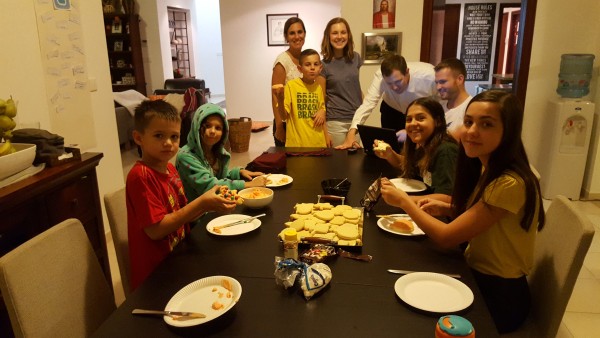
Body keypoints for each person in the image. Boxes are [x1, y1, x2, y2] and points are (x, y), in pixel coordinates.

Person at [380, 91, 545, 334]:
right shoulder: (487, 167)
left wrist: (405, 202)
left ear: (509, 130)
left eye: (486, 124)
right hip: (476, 273)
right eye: (468, 122)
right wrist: (450, 208)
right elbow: (486, 217)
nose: (471, 131)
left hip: (497, 295)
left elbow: (447, 238)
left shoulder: (509, 182)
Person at [126, 100, 237, 290]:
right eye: (159, 135)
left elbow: (181, 212)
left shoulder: (170, 168)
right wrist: (203, 202)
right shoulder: (141, 177)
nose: (168, 143)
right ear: (138, 138)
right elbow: (156, 230)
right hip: (157, 274)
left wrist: (210, 205)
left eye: (174, 136)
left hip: (180, 255)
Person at [337, 54, 438, 149]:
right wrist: (351, 133)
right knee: (390, 148)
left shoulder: (430, 76)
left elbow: (442, 108)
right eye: (389, 83)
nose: (394, 87)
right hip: (391, 111)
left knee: (418, 147)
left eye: (398, 81)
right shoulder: (380, 77)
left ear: (407, 72)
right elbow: (368, 103)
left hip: (418, 113)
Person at [176, 103, 266, 201]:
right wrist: (248, 184)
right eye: (208, 126)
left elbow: (218, 173)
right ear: (197, 127)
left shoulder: (215, 151)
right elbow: (210, 186)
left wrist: (239, 172)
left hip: (214, 204)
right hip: (198, 213)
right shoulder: (186, 156)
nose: (213, 131)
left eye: (218, 128)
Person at [374, 97, 458, 196]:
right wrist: (390, 154)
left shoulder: (446, 151)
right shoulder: (425, 146)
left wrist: (402, 199)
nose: (413, 123)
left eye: (421, 118)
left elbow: (447, 198)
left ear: (438, 121)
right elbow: (412, 167)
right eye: (409, 119)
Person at [272, 17, 320, 147]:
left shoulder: (307, 59)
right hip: (286, 122)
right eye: (292, 33)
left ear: (305, 34)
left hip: (303, 125)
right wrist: (280, 126)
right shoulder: (282, 61)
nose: (297, 36)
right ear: (286, 37)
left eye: (300, 32)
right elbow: (276, 96)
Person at [317, 17, 364, 147]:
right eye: (335, 33)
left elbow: (354, 85)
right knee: (338, 163)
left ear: (348, 35)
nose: (339, 36)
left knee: (355, 162)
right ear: (328, 36)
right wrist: (325, 132)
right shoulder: (323, 65)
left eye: (343, 32)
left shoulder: (356, 58)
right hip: (335, 121)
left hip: (356, 120)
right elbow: (321, 98)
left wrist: (364, 107)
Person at [283, 49, 330, 147]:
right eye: (308, 64)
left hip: (318, 143)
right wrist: (278, 97)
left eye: (316, 64)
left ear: (320, 68)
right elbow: (284, 114)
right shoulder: (291, 86)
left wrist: (326, 135)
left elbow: (322, 112)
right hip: (297, 145)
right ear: (300, 68)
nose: (312, 68)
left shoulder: (319, 88)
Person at [434, 58, 472, 140]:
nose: (438, 87)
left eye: (443, 82)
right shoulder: (438, 106)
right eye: (436, 83)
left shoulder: (470, 108)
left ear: (460, 79)